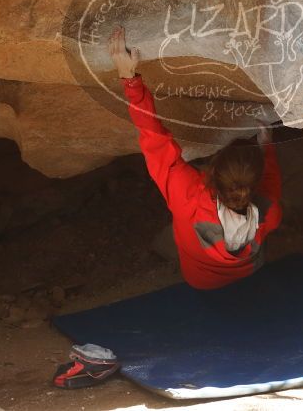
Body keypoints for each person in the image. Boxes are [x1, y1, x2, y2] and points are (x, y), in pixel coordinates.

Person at [106, 25, 282, 290]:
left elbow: (154, 138)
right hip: (247, 269)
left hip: (200, 280)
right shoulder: (271, 211)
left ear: (211, 168)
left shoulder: (188, 194)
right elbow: (270, 182)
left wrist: (130, 79)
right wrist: (267, 146)